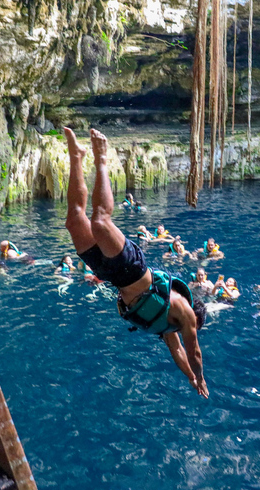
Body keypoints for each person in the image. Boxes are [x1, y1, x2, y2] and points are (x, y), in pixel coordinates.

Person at [63, 127, 208, 398]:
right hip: (131, 267)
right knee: (100, 221)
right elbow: (193, 351)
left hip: (110, 274)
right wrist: (201, 377)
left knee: (74, 218)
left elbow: (177, 351)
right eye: (193, 330)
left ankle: (76, 156)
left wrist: (190, 378)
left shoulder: (169, 326)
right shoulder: (185, 312)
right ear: (194, 320)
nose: (188, 333)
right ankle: (102, 158)